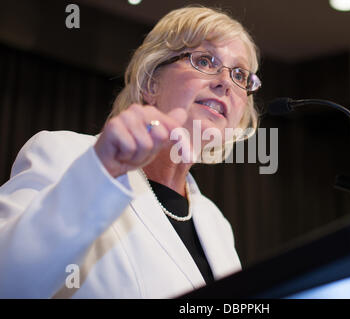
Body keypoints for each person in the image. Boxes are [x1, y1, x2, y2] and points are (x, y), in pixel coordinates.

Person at [0, 6, 261, 298]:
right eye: (204, 60)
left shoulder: (216, 224)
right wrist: (102, 172)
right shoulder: (66, 155)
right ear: (151, 83)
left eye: (240, 74)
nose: (225, 82)